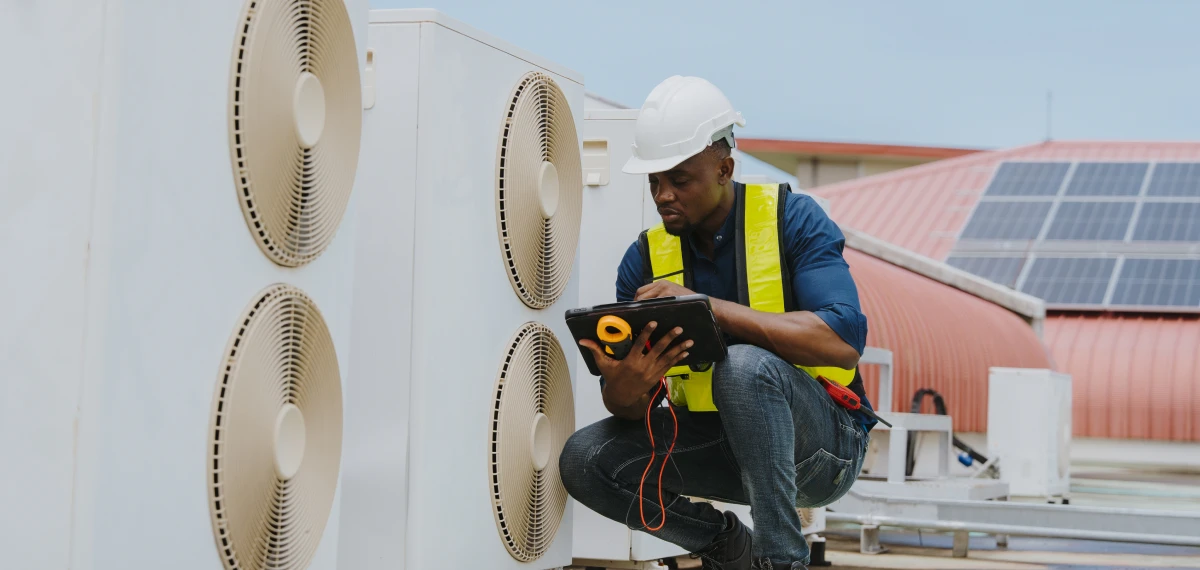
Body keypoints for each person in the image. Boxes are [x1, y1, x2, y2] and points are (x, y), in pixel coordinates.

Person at [559, 76, 877, 570]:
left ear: (724, 168)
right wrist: (624, 389)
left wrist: (707, 306)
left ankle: (780, 560)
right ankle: (726, 545)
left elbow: (841, 343)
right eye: (654, 182)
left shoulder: (793, 220)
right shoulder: (644, 260)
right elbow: (627, 410)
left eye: (679, 180)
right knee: (584, 459)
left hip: (824, 450)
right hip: (722, 444)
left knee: (745, 366)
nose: (663, 195)